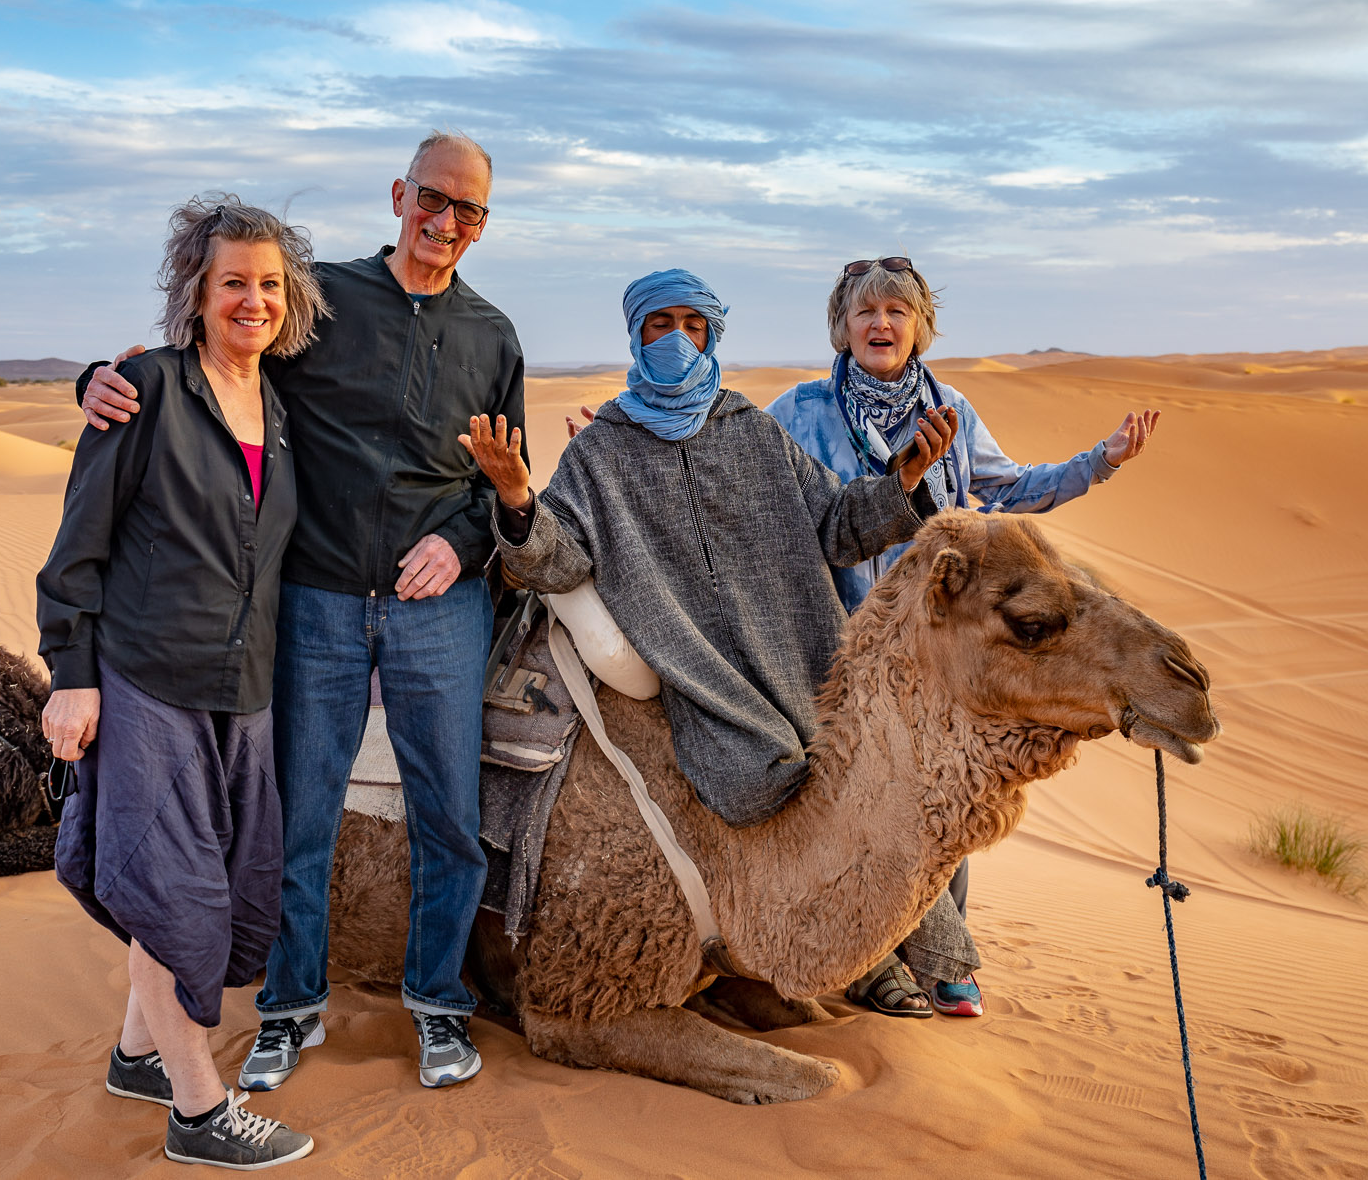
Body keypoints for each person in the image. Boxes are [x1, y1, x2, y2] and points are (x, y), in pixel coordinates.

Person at [78, 132, 525, 1093]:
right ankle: (290, 1007)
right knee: (296, 819)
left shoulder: (495, 337)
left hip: (437, 610)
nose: (446, 224)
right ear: (400, 194)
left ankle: (439, 1005)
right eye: (433, 200)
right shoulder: (318, 300)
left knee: (450, 816)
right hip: (314, 599)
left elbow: (505, 483)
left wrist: (467, 539)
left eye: (469, 212)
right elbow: (219, 353)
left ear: (484, 225)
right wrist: (102, 379)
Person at [766, 255, 1159, 1019]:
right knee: (855, 806)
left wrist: (1100, 462)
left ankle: (946, 955)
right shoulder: (801, 412)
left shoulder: (952, 409)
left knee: (941, 804)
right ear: (841, 328)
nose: (881, 323)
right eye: (865, 311)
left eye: (897, 311)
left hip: (938, 656)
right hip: (835, 645)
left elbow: (1014, 489)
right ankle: (874, 963)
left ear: (919, 325)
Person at [36, 196, 326, 1169]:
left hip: (240, 690)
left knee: (217, 890)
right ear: (195, 293)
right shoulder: (146, 391)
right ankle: (200, 1112)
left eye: (268, 285)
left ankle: (135, 1056)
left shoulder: (277, 410)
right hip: (148, 678)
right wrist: (71, 676)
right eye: (232, 282)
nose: (253, 301)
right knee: (173, 891)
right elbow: (75, 550)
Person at [460, 268, 955, 830]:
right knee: (747, 786)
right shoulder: (600, 452)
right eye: (661, 324)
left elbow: (838, 523)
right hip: (705, 680)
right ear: (637, 335)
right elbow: (557, 560)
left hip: (804, 657)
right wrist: (518, 496)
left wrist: (904, 482)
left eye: (692, 325)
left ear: (710, 336)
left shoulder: (751, 429)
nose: (676, 338)